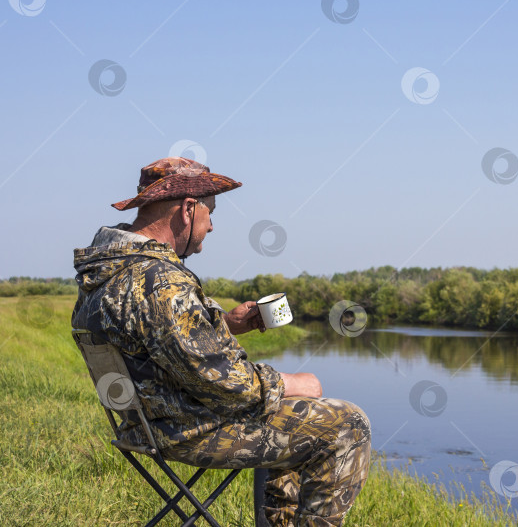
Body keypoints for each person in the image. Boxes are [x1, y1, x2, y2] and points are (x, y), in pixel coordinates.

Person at [71, 157, 371, 526]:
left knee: (295, 415)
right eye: (209, 213)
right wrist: (291, 383)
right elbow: (227, 384)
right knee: (348, 424)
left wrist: (224, 325)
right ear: (187, 209)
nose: (211, 226)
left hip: (145, 423)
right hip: (186, 429)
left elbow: (159, 343)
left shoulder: (106, 272)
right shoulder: (160, 281)